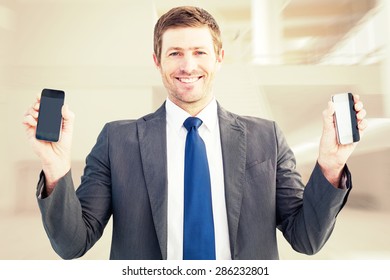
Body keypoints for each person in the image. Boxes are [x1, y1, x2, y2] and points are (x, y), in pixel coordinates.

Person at [23, 6, 367, 260]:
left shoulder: (267, 137)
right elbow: (72, 243)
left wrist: (330, 167)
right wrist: (55, 170)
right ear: (157, 61)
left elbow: (306, 238)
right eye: (175, 53)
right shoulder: (118, 141)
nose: (188, 66)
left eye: (199, 52)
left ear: (218, 57)